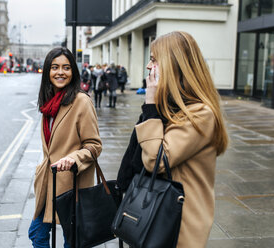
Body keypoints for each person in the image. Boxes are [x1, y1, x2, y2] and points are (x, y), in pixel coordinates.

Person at [116, 31, 228, 247]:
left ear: (174, 65)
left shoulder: (200, 113)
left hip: (178, 227)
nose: (149, 66)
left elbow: (155, 160)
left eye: (154, 59)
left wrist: (150, 105)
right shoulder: (168, 108)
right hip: (154, 219)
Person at [29, 47, 102, 248]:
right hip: (49, 183)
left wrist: (74, 159)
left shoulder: (81, 101)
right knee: (37, 234)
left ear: (73, 72)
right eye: (54, 67)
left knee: (71, 241)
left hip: (72, 183)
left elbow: (94, 145)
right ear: (47, 71)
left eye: (66, 67)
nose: (60, 72)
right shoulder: (48, 103)